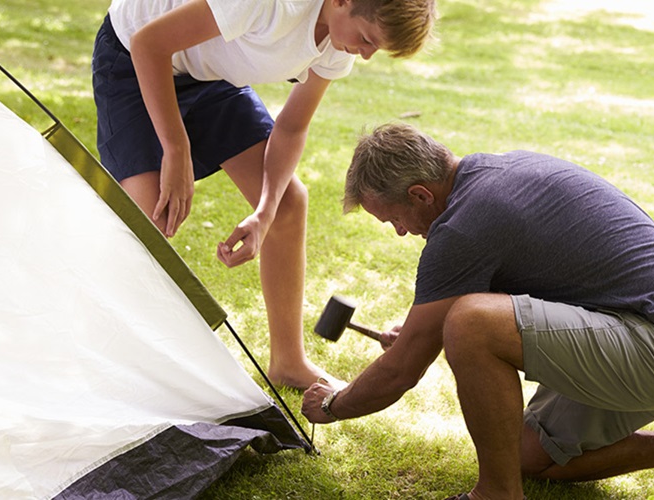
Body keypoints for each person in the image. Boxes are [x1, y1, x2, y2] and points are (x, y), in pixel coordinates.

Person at [301, 123, 654, 499]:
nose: (401, 232)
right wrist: (425, 333)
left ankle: (496, 495)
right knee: (524, 456)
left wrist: (333, 404)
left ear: (420, 194)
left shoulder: (463, 227)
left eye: (394, 219)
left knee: (470, 323)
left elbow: (400, 372)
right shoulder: (494, 175)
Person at [91, 0, 436, 389]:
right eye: (367, 39)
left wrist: (264, 212)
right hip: (133, 60)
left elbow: (291, 128)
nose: (367, 55)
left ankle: (288, 363)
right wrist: (176, 147)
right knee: (149, 217)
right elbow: (148, 44)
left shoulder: (337, 47)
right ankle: (114, 357)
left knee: (289, 203)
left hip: (207, 76)